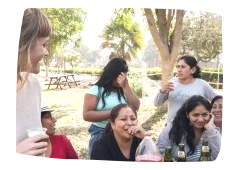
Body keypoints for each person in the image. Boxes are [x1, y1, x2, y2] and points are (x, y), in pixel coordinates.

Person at [16, 7, 51, 169]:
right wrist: (12, 156)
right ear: (22, 44)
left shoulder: (33, 84)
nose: (46, 53)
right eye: (44, 44)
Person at [83, 58, 140, 157]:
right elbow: (87, 115)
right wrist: (115, 113)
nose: (123, 78)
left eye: (125, 75)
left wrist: (126, 87)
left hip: (123, 131)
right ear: (113, 74)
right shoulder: (96, 90)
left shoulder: (123, 90)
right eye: (121, 75)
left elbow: (136, 106)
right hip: (100, 131)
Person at [154, 56, 216, 125]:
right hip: (172, 128)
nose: (179, 70)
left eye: (183, 67)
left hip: (194, 129)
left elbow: (217, 102)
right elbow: (157, 103)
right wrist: (162, 91)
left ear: (193, 69)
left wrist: (208, 117)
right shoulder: (172, 82)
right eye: (178, 67)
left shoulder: (202, 85)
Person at [157, 95, 222, 162]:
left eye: (205, 115)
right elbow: (161, 151)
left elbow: (220, 157)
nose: (200, 119)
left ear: (210, 114)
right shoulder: (174, 127)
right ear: (187, 114)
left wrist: (210, 130)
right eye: (195, 115)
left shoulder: (212, 131)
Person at [91, 104, 145, 169]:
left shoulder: (141, 141)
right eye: (123, 119)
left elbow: (156, 164)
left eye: (133, 119)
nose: (130, 123)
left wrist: (145, 138)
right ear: (113, 124)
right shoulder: (100, 146)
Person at [40, 102, 83, 170]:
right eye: (48, 117)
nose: (54, 120)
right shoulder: (22, 150)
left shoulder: (61, 141)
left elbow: (77, 168)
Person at [221, 97, 240, 162]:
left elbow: (235, 157)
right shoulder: (205, 130)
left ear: (230, 112)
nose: (217, 110)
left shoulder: (235, 130)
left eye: (221, 107)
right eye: (214, 107)